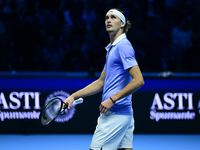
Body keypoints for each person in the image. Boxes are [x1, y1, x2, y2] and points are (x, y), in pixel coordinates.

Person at [64, 8, 144, 150]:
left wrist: (112, 99)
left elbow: (138, 80)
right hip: (124, 113)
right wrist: (73, 96)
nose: (108, 20)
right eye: (107, 17)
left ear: (122, 24)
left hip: (115, 115)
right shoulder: (113, 49)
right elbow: (101, 82)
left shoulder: (123, 46)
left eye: (113, 17)